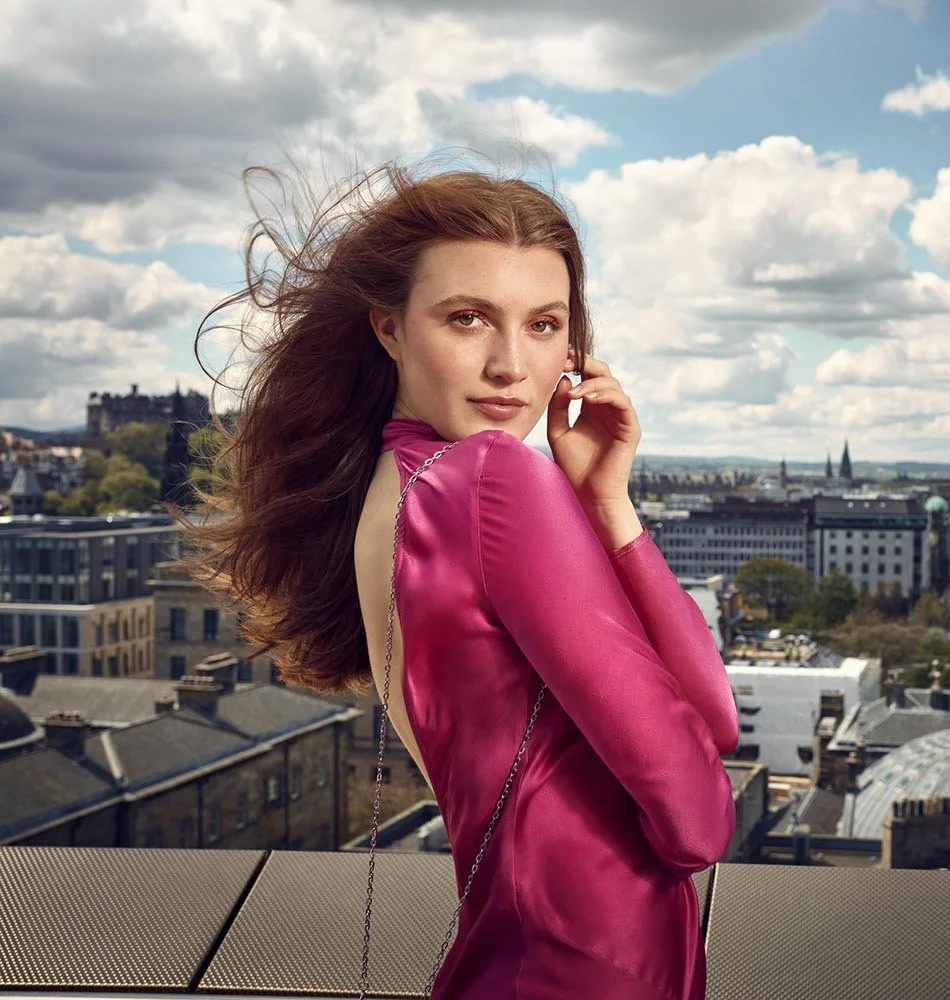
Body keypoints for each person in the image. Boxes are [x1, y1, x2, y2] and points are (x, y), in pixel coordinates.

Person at [182, 162, 740, 999]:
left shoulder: (394, 486)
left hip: (520, 950)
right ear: (389, 328)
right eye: (468, 318)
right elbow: (700, 819)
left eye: (544, 325)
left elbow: (715, 725)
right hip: (589, 965)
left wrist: (605, 499)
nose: (512, 366)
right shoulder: (490, 480)